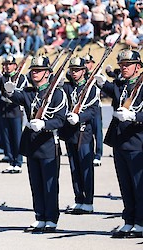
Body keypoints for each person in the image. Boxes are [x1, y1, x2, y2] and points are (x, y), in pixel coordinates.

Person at [3, 55, 67, 232]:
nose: (34, 73)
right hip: (32, 144)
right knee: (36, 184)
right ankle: (40, 216)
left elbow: (61, 119)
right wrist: (8, 91)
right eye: (33, 71)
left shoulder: (57, 93)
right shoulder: (31, 92)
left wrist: (45, 124)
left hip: (47, 144)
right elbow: (18, 96)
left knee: (49, 184)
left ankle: (51, 218)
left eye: (38, 70)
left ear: (47, 73)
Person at [95, 49, 143, 238]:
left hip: (137, 142)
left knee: (139, 185)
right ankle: (129, 220)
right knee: (125, 185)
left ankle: (140, 222)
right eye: (121, 65)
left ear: (138, 67)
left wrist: (134, 116)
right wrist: (100, 82)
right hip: (120, 142)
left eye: (127, 65)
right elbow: (112, 89)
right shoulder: (121, 85)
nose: (123, 68)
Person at [60, 56, 99, 215]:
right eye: (72, 70)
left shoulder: (91, 88)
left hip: (84, 132)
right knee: (74, 167)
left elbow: (93, 110)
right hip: (70, 132)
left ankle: (88, 201)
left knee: (85, 166)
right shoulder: (68, 87)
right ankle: (79, 199)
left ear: (84, 71)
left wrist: (80, 117)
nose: (74, 73)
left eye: (78, 70)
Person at [0, 54, 25, 174]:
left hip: (15, 111)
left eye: (9, 64)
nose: (6, 67)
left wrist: (11, 96)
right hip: (4, 111)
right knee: (6, 138)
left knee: (16, 137)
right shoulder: (2, 77)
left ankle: (18, 161)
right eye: (5, 64)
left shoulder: (20, 77)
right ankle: (11, 161)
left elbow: (21, 91)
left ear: (15, 66)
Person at [83, 53, 103, 167]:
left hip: (96, 106)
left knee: (97, 131)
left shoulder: (98, 75)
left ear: (92, 63)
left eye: (88, 62)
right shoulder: (84, 76)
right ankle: (89, 152)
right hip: (86, 107)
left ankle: (98, 154)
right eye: (85, 62)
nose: (86, 65)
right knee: (88, 130)